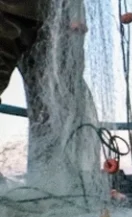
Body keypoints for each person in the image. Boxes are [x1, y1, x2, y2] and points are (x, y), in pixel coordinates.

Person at [0, 0, 99, 191]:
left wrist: (74, 12)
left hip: (59, 18)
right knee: (54, 107)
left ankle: (50, 188)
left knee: (55, 108)